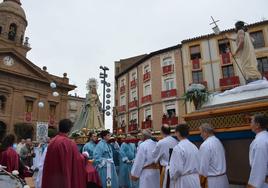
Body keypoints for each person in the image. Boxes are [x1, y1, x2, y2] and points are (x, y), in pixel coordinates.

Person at [42, 119, 87, 188]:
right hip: (62, 177)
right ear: (69, 129)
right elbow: (78, 160)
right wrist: (84, 156)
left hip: (52, 176)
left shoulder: (52, 141)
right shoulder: (69, 143)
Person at [170, 124, 201, 188]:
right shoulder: (194, 147)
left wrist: (173, 177)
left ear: (178, 133)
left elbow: (178, 169)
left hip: (184, 181)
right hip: (195, 179)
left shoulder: (178, 148)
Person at [199, 123, 229, 188]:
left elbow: (203, 166)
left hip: (212, 182)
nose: (200, 135)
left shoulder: (205, 145)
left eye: (201, 133)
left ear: (205, 132)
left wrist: (200, 182)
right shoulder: (218, 142)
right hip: (223, 179)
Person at [247, 114, 268, 188]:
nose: (250, 124)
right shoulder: (265, 138)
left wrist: (252, 185)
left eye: (251, 122)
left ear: (257, 125)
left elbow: (258, 166)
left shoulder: (260, 142)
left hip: (263, 183)